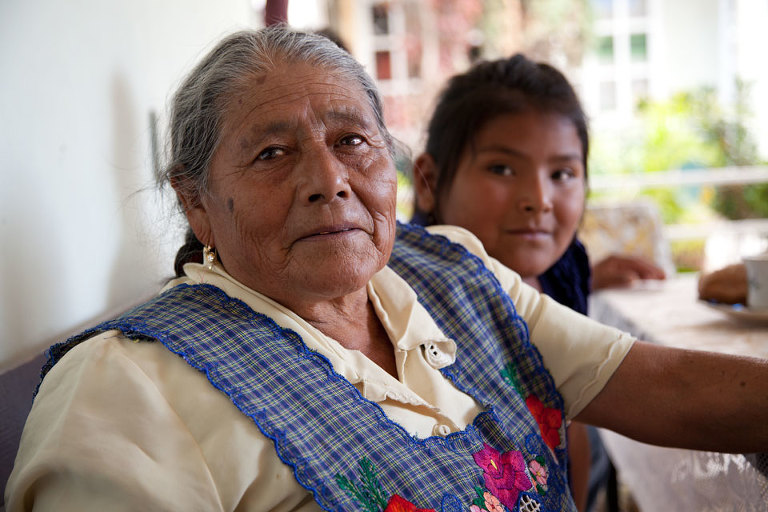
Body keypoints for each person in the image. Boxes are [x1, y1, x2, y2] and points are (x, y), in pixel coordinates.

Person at [6, 26, 768, 512]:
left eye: (351, 141)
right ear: (196, 202)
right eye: (272, 153)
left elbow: (664, 387)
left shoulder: (453, 274)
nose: (327, 180)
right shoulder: (123, 388)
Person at [409, 54, 665, 510]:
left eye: (562, 174)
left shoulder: (562, 273)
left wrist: (590, 279)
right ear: (428, 181)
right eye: (502, 169)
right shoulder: (413, 310)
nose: (539, 200)